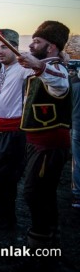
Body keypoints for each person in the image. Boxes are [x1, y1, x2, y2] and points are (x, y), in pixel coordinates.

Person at [17, 21, 71, 250]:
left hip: (49, 144)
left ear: (51, 47)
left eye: (37, 41)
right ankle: (51, 237)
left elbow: (59, 84)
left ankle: (39, 243)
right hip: (36, 143)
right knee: (44, 192)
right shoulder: (44, 66)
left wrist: (38, 65)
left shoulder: (57, 69)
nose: (31, 44)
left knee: (35, 192)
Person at [0, 29, 29, 229]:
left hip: (12, 132)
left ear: (15, 48)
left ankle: (8, 219)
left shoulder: (22, 67)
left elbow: (41, 68)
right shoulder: (2, 68)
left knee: (6, 176)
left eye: (4, 47)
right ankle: (2, 213)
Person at [71, 63, 80, 209]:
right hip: (76, 126)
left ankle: (77, 194)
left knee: (77, 161)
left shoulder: (75, 85)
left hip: (76, 125)